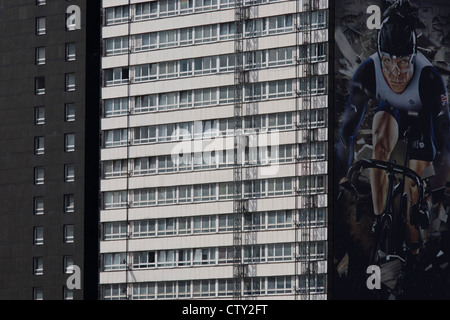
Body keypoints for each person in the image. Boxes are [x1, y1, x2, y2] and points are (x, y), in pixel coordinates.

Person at [336, 9, 450, 254]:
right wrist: (342, 175)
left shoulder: (428, 77)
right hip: (391, 112)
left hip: (421, 117)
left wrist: (436, 186)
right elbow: (347, 131)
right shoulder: (367, 72)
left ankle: (414, 247)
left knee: (415, 186)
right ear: (379, 58)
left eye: (402, 62)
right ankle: (381, 220)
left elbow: (444, 136)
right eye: (388, 62)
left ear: (413, 57)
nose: (395, 72)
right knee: (380, 144)